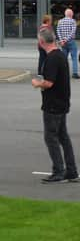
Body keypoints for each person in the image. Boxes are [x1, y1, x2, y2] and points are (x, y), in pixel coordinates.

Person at [31, 27, 78, 183]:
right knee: (63, 137)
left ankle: (58, 171)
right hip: (62, 102)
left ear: (42, 41)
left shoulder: (51, 58)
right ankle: (71, 171)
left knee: (51, 137)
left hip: (53, 104)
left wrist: (37, 83)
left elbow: (49, 83)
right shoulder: (60, 55)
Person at [55, 9, 79, 79]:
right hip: (71, 41)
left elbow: (58, 31)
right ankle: (75, 73)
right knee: (74, 58)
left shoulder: (60, 21)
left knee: (64, 58)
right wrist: (66, 40)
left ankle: (63, 73)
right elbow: (72, 32)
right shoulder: (73, 21)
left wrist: (62, 40)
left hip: (63, 43)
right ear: (71, 14)